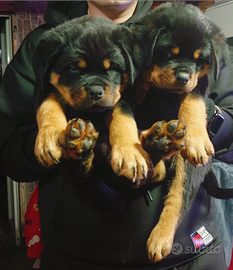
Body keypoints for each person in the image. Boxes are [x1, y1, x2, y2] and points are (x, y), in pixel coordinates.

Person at [0, 1, 233, 269]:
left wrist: (201, 116)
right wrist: (59, 138)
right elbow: (9, 153)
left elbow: (229, 131)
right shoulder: (44, 42)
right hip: (79, 253)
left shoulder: (185, 29)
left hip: (188, 250)